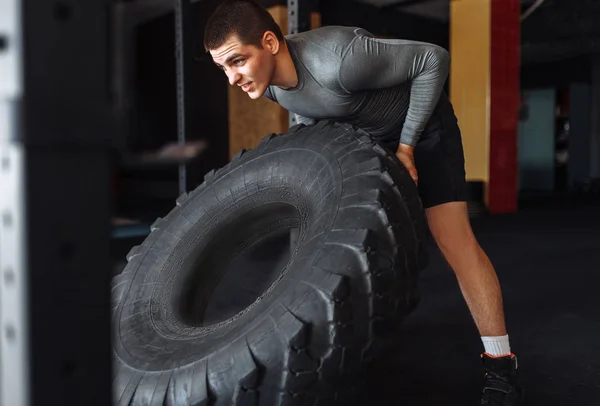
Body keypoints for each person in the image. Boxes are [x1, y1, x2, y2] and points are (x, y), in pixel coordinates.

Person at [204, 1, 523, 404]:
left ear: (269, 42)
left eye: (237, 61)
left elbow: (432, 59)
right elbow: (308, 112)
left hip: (421, 130)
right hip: (364, 135)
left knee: (454, 241)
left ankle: (502, 369)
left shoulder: (339, 60)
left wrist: (407, 148)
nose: (232, 78)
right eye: (223, 68)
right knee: (331, 240)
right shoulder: (264, 83)